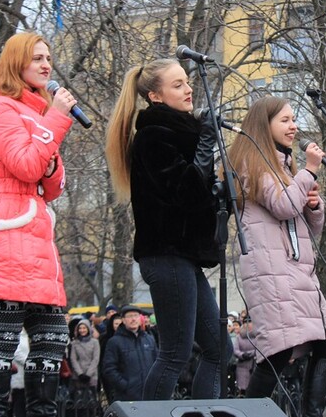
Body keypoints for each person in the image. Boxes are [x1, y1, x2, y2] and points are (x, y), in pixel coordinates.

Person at [105, 58, 230, 400]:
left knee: (220, 350)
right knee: (174, 353)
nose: (189, 89)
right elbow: (188, 190)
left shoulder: (183, 137)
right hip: (165, 255)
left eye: (187, 82)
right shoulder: (152, 138)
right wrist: (206, 142)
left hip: (184, 257)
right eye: (178, 85)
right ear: (155, 96)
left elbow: (203, 198)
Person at [0, 32, 76, 417]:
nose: (46, 65)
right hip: (6, 230)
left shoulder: (39, 112)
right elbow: (25, 165)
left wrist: (52, 162)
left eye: (48, 57)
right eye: (37, 58)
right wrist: (56, 120)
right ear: (16, 62)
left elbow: (51, 184)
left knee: (52, 337)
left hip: (37, 234)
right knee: (3, 338)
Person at [227, 96, 326, 416]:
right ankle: (248, 413)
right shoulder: (252, 162)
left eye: (294, 120)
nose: (294, 127)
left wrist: (315, 206)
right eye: (286, 121)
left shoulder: (284, 165)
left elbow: (306, 227)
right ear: (265, 126)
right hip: (271, 271)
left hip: (295, 269)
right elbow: (283, 206)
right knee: (278, 351)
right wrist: (310, 171)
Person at [102, 305, 159, 401]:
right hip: (127, 397)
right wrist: (125, 386)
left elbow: (157, 363)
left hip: (149, 395)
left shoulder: (149, 339)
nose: (133, 319)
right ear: (123, 320)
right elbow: (109, 369)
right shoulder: (115, 342)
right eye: (129, 316)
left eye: (136, 316)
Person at [70, 319, 101, 391]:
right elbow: (73, 359)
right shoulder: (74, 343)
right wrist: (80, 374)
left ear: (88, 329)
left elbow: (95, 359)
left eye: (84, 328)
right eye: (80, 328)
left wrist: (88, 374)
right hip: (78, 375)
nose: (82, 330)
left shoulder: (95, 342)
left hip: (92, 375)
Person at [10, 329, 30, 417]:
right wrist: (30, 362)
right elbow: (16, 353)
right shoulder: (17, 335)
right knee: (19, 400)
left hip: (32, 375)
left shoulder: (31, 335)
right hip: (20, 373)